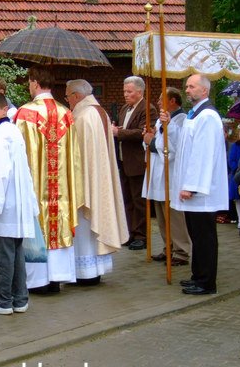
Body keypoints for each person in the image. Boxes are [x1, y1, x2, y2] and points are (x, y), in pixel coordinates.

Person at [14, 66, 83, 293]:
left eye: (29, 83)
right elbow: (74, 156)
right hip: (61, 188)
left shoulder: (25, 113)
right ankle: (56, 277)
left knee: (37, 221)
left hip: (35, 185)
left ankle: (38, 281)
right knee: (58, 219)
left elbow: (17, 153)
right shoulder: (66, 113)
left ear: (34, 82)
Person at [163, 74, 227, 295]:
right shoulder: (195, 114)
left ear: (205, 90)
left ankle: (207, 282)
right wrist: (168, 124)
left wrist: (191, 186)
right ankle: (198, 275)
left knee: (204, 236)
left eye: (192, 86)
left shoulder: (207, 116)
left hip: (201, 191)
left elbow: (202, 154)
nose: (187, 90)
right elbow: (185, 145)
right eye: (187, 86)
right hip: (194, 189)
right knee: (197, 235)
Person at [0, 92, 39, 314]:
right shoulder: (13, 130)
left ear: (4, 109)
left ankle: (2, 301)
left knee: (2, 255)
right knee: (16, 252)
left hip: (4, 205)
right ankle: (20, 299)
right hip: (17, 203)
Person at [65, 80, 128, 284]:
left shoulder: (83, 116)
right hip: (100, 178)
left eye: (67, 97)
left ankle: (86, 273)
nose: (67, 101)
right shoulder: (99, 111)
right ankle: (95, 270)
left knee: (84, 226)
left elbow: (78, 157)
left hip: (86, 182)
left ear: (76, 95)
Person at [143, 87, 192, 266]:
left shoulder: (181, 121)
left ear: (172, 101)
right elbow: (151, 143)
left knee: (174, 217)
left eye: (162, 98)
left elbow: (173, 148)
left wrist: (152, 141)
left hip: (171, 175)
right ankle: (168, 247)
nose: (157, 101)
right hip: (158, 174)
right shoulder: (161, 120)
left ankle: (181, 251)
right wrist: (148, 137)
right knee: (162, 216)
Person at [112, 75, 158, 250]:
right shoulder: (124, 108)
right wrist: (118, 130)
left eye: (129, 91)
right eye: (124, 91)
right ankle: (130, 232)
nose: (125, 94)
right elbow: (128, 129)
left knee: (139, 200)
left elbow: (142, 132)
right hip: (124, 159)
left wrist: (119, 133)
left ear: (139, 92)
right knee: (127, 199)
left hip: (138, 161)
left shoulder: (148, 109)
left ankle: (142, 235)